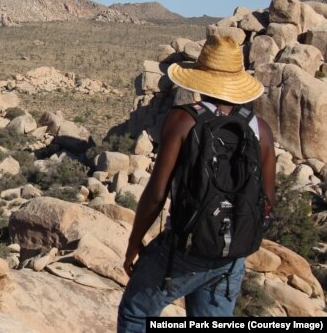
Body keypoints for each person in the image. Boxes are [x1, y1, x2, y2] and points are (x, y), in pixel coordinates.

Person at [117, 35, 276, 332]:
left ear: (201, 78)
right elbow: (267, 201)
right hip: (232, 256)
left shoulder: (183, 120)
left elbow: (156, 193)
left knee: (136, 312)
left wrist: (134, 242)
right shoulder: (261, 130)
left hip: (184, 250)